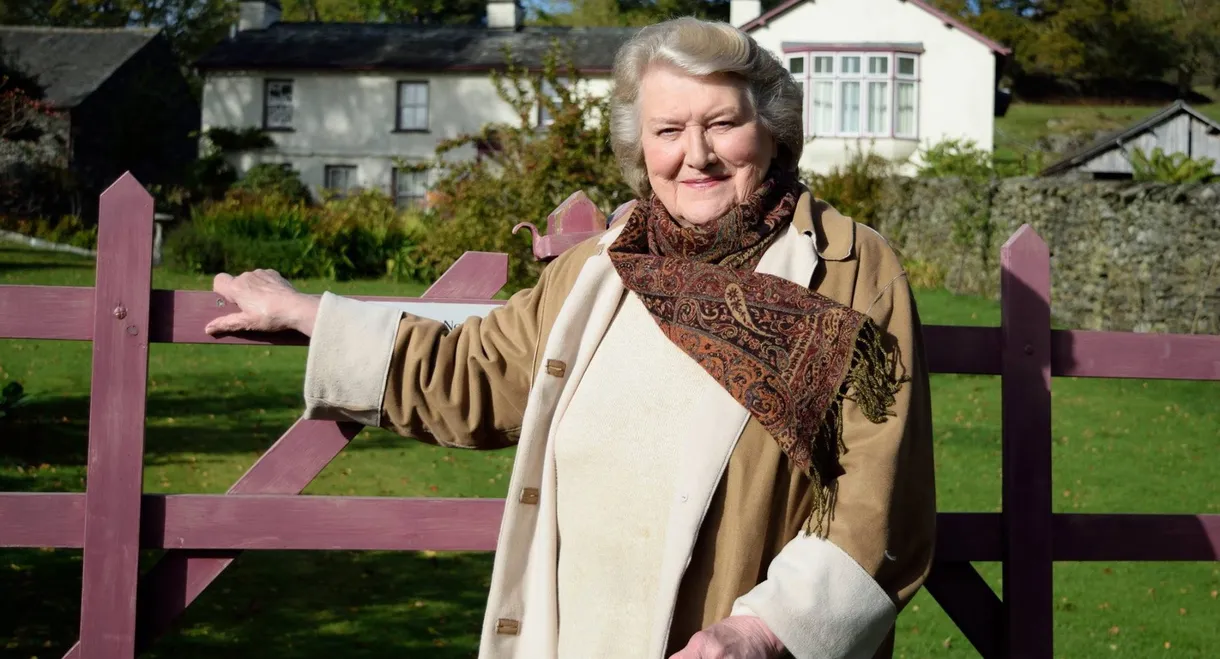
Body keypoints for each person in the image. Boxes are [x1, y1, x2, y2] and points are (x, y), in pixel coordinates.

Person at [205, 16, 936, 659]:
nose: (697, 154)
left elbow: (880, 491)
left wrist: (765, 630)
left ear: (771, 129)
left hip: (723, 640)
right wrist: (312, 317)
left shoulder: (847, 267)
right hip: (580, 626)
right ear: (639, 146)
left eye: (722, 123)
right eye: (668, 130)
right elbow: (481, 366)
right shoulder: (604, 265)